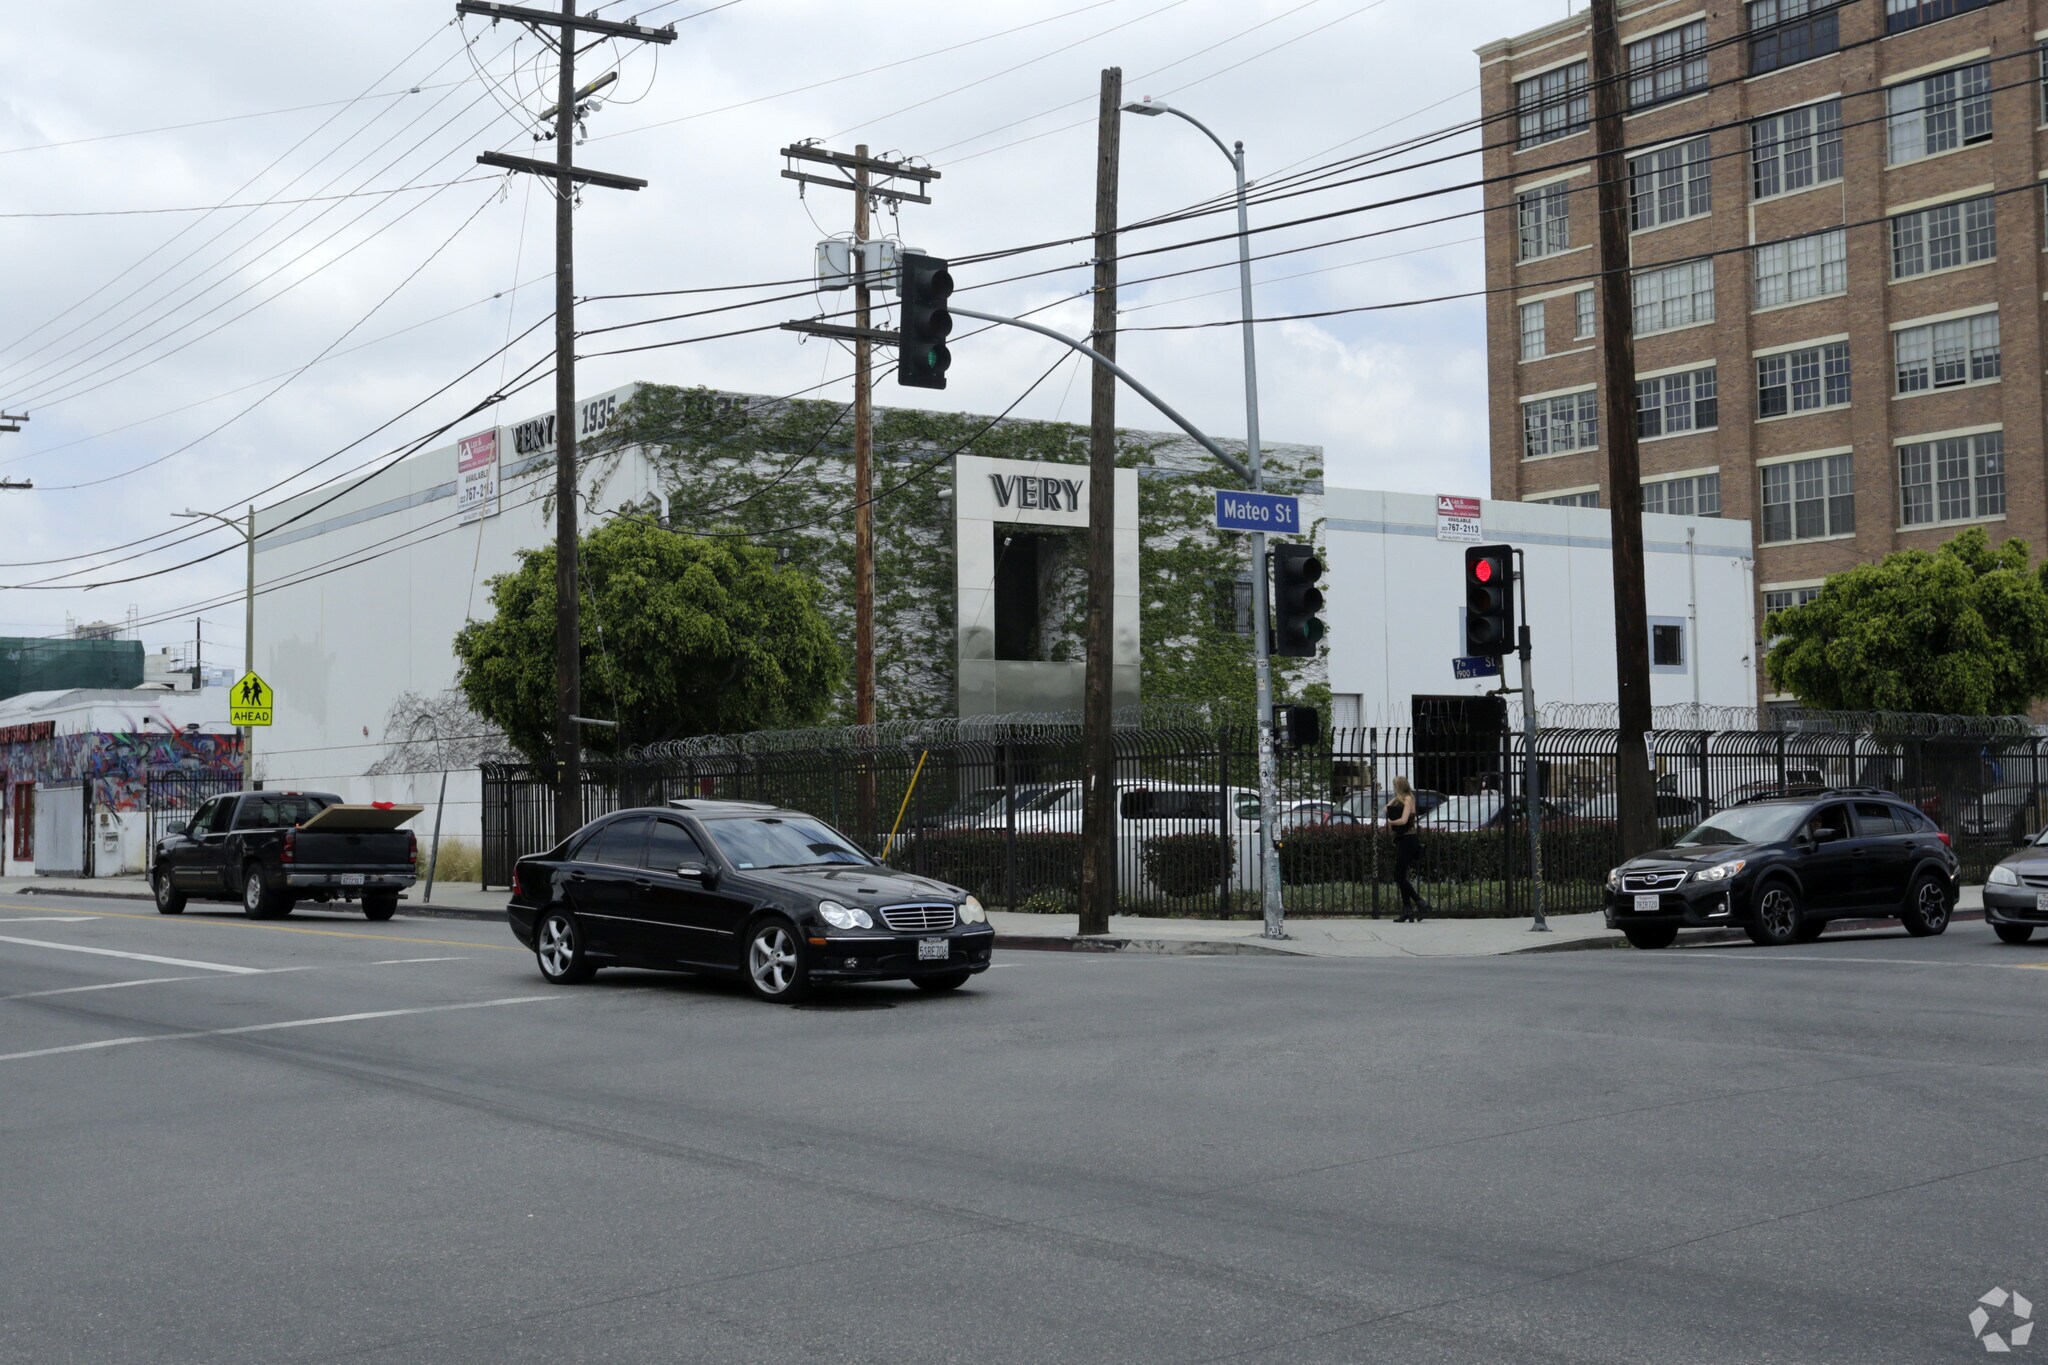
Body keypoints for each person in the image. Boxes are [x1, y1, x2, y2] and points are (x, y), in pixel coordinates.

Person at [1385, 775, 1430, 922]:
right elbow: (1386, 808)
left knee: (1398, 876)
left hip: (1409, 840)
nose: (1393, 789)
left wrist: (1391, 824)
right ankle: (1407, 910)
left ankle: (1420, 903)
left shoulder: (1409, 799)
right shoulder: (1403, 799)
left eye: (1394, 786)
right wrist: (1395, 796)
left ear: (1399, 787)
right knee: (1401, 876)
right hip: (1404, 840)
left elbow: (1404, 820)